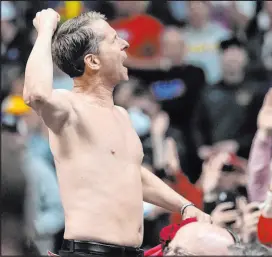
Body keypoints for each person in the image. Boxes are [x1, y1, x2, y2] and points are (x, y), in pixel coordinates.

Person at [23, 9, 210, 257]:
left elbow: (132, 173)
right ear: (93, 61)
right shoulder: (69, 106)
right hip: (89, 252)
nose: (125, 43)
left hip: (133, 251)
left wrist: (184, 205)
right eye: (113, 39)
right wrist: (46, 30)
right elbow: (35, 94)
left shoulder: (122, 115)